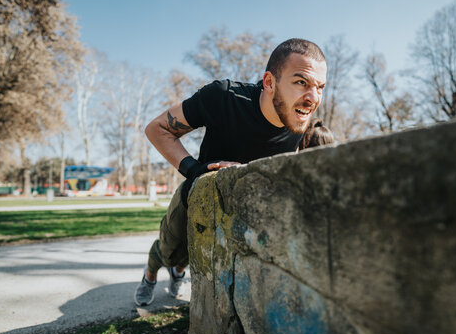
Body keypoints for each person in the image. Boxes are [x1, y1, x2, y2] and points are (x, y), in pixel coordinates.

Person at [134, 38, 327, 306]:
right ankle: (150, 274)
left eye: (320, 87)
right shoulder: (224, 97)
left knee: (190, 257)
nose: (313, 97)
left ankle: (178, 272)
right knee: (168, 251)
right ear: (269, 82)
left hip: (240, 215)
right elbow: (157, 129)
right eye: (301, 82)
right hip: (196, 197)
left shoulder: (299, 122)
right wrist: (196, 170)